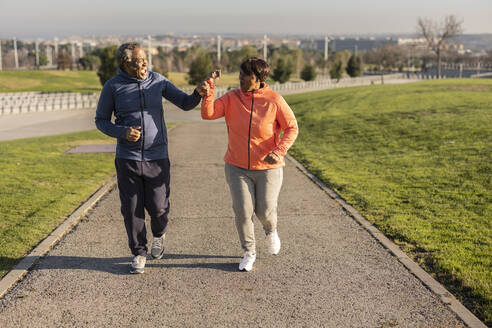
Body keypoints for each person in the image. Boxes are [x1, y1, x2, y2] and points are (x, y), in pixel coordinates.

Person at [95, 42, 207, 274]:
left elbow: (185, 103)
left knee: (159, 207)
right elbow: (101, 120)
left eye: (145, 59)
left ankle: (159, 234)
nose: (144, 64)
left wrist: (198, 93)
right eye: (139, 61)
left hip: (158, 156)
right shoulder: (113, 86)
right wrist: (122, 132)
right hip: (128, 158)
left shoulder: (158, 81)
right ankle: (139, 253)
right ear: (126, 63)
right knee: (132, 208)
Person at [201, 57, 298, 271]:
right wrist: (209, 89)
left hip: (268, 168)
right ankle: (249, 251)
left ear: (258, 78)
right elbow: (208, 114)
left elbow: (292, 127)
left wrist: (279, 151)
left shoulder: (274, 100)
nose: (241, 79)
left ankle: (271, 230)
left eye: (246, 75)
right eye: (240, 74)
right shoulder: (232, 98)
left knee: (264, 211)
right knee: (243, 211)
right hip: (236, 167)